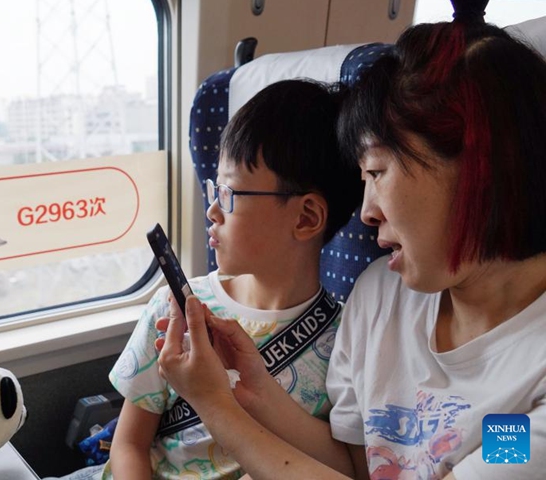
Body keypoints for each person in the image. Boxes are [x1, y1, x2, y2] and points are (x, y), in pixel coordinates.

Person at [156, 8, 546, 480]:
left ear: (480, 165)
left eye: (378, 172)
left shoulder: (532, 371)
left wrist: (215, 407)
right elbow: (356, 465)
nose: (366, 212)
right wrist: (251, 386)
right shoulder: (380, 295)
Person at [57, 79, 362, 480]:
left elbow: (340, 468)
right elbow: (129, 444)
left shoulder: (343, 345)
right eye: (212, 189)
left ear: (305, 218)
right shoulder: (179, 308)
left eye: (230, 194)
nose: (212, 210)